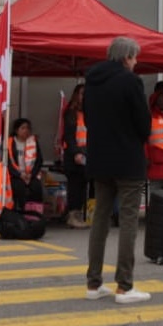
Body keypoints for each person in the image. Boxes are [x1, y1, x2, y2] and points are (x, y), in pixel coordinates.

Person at [83, 36, 152, 304]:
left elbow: (88, 119)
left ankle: (93, 283)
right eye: (135, 57)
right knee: (128, 220)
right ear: (126, 57)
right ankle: (124, 285)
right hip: (127, 159)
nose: (136, 63)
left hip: (100, 159)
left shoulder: (91, 81)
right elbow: (143, 124)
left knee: (100, 218)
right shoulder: (130, 81)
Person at [61, 84, 89, 229]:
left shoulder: (89, 113)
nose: (84, 97)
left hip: (86, 154)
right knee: (75, 187)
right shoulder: (71, 113)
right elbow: (69, 137)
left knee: (83, 186)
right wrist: (77, 152)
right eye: (82, 94)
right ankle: (73, 215)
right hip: (74, 155)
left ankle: (80, 214)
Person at [6, 117, 45, 210]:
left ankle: (35, 213)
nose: (26, 130)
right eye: (23, 128)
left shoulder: (33, 142)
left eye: (27, 128)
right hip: (16, 175)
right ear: (16, 130)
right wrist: (20, 175)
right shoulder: (10, 142)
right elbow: (8, 163)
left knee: (36, 187)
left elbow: (39, 161)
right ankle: (22, 212)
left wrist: (31, 174)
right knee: (19, 188)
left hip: (31, 174)